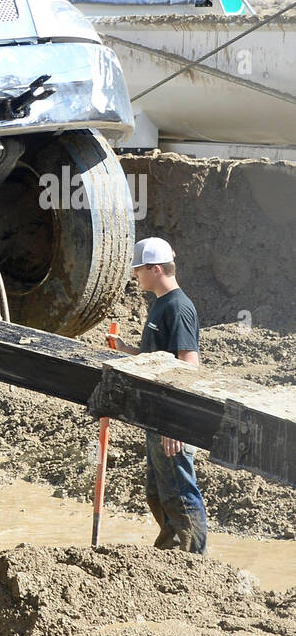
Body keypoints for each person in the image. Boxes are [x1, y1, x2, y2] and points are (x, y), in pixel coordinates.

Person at [112, 237, 208, 553]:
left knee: (179, 493)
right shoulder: (161, 304)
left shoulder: (179, 307)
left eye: (139, 270)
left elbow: (188, 366)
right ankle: (171, 553)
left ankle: (196, 561)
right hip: (158, 417)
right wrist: (129, 351)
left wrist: (175, 423)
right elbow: (159, 356)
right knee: (157, 494)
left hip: (171, 421)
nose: (135, 276)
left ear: (156, 268)